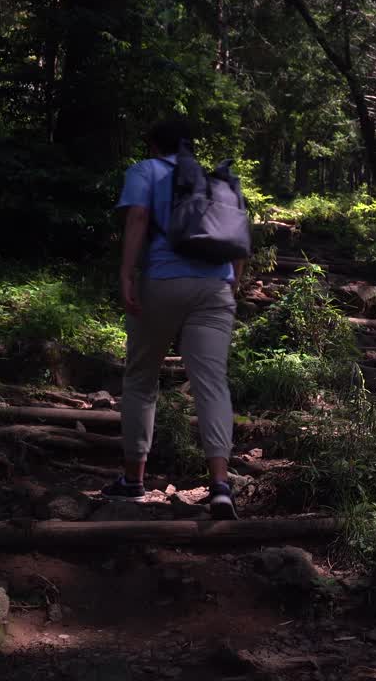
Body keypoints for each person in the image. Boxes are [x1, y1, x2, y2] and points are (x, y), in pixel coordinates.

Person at [103, 118, 244, 520]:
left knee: (142, 378)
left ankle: (133, 480)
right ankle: (220, 485)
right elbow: (238, 239)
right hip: (215, 286)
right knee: (212, 384)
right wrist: (232, 283)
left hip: (161, 283)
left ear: (152, 143)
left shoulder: (145, 171)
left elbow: (138, 220)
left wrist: (127, 273)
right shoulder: (215, 178)